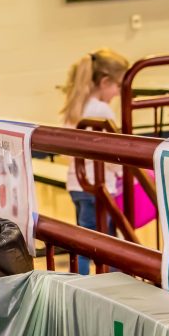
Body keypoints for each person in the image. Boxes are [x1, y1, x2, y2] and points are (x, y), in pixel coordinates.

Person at [60, 49, 129, 275]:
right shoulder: (101, 110)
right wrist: (121, 171)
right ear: (105, 81)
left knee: (87, 235)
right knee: (98, 240)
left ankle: (104, 277)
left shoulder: (75, 106)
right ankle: (90, 281)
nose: (118, 93)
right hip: (98, 186)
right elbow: (111, 149)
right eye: (117, 86)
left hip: (76, 184)